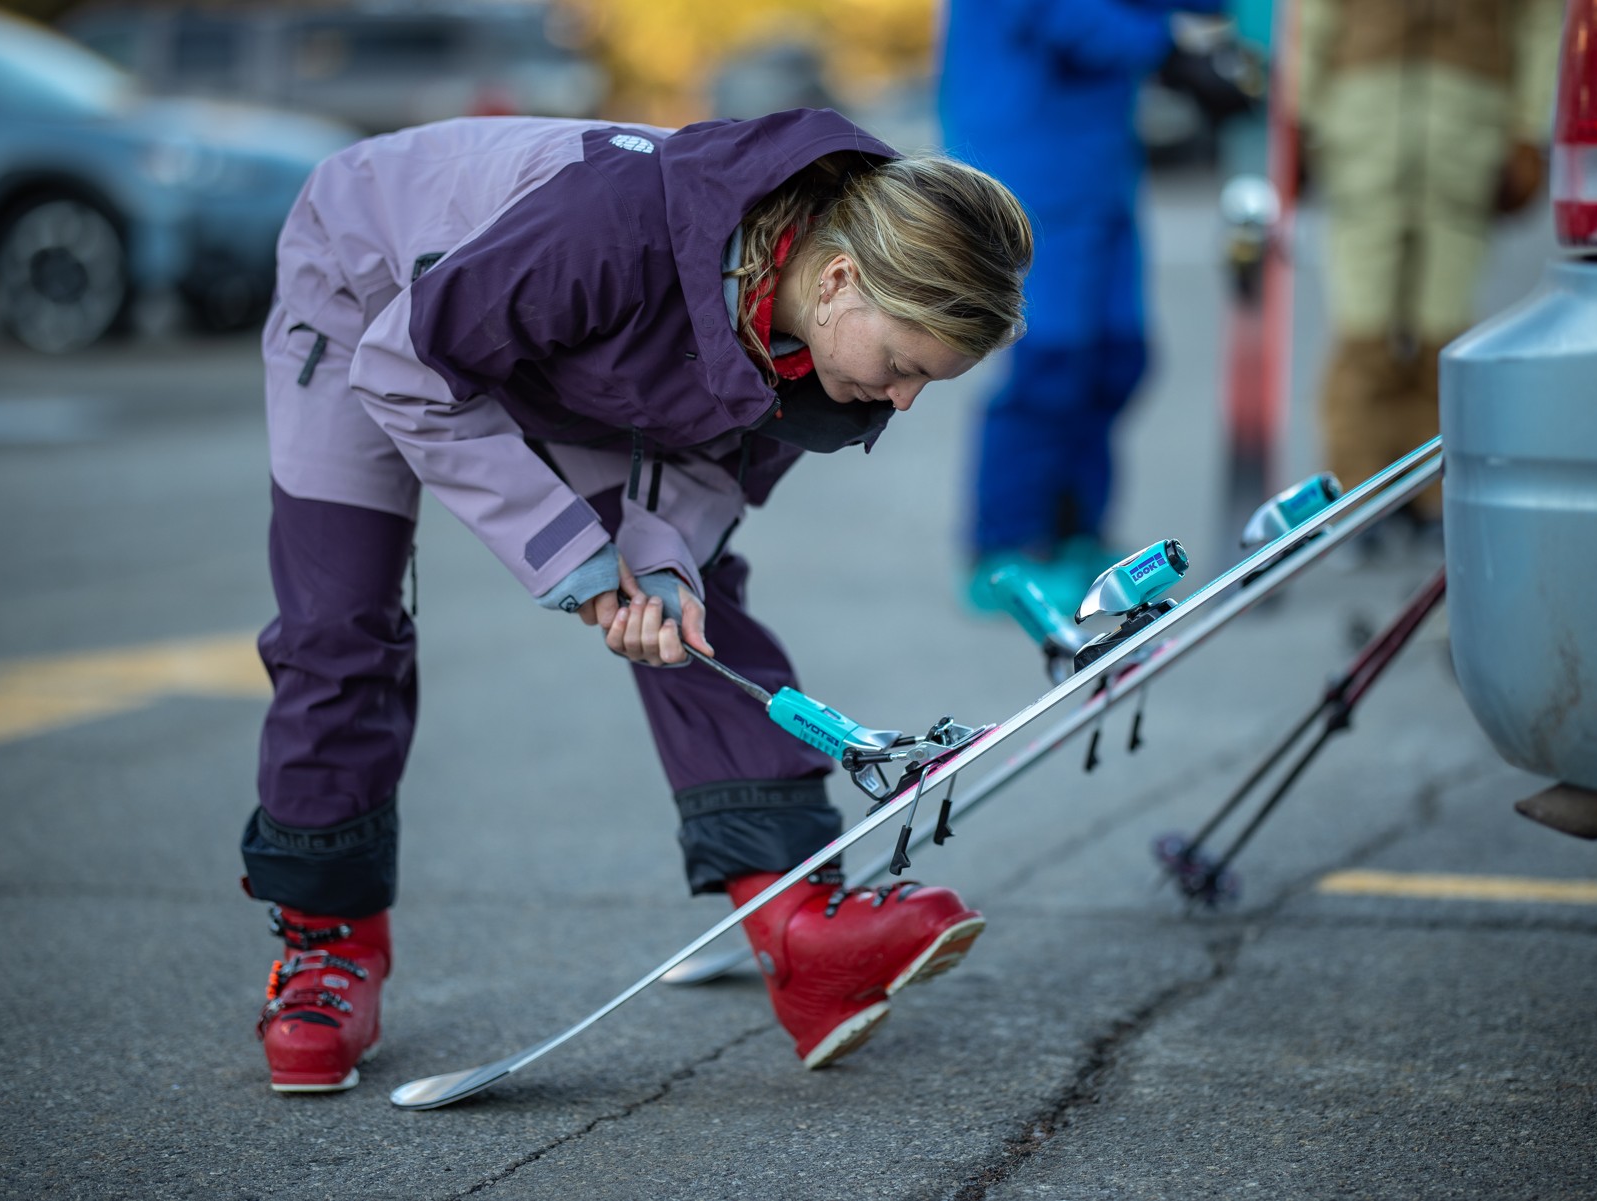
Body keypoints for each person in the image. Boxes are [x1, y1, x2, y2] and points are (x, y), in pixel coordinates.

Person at [243, 108, 1034, 1092]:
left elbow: (706, 476)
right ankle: (328, 950)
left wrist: (659, 575)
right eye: (908, 367)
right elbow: (408, 366)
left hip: (555, 358)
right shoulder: (609, 232)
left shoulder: (828, 369)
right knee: (339, 621)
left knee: (699, 613)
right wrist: (577, 563)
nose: (905, 402)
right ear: (837, 280)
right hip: (371, 297)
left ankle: (798, 922)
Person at [938, 0, 1222, 614]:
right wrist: (1169, 52)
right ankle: (1006, 549)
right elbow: (1061, 14)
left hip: (1100, 168)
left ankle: (1076, 533)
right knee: (1050, 365)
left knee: (1118, 356)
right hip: (1029, 170)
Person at [1295, 0, 1561, 539]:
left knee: (1445, 330)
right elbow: (1314, 15)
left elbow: (1538, 22)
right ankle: (1356, 494)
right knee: (1364, 331)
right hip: (1364, 128)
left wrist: (1528, 130)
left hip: (1464, 130)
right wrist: (1298, 115)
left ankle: (1435, 495)